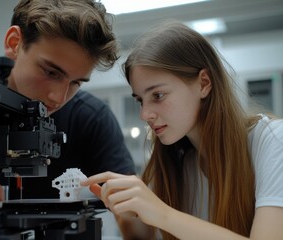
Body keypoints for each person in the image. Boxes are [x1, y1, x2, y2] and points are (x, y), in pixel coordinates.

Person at [81, 20, 283, 239]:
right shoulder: (176, 162)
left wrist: (162, 213)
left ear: (204, 83)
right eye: (140, 100)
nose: (144, 114)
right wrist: (126, 210)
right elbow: (144, 237)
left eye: (158, 95)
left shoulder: (272, 140)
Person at [0, 0, 136, 201]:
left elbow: (133, 224)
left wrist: (141, 210)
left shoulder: (92, 119)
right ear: (14, 44)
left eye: (76, 83)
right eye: (51, 72)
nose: (59, 98)